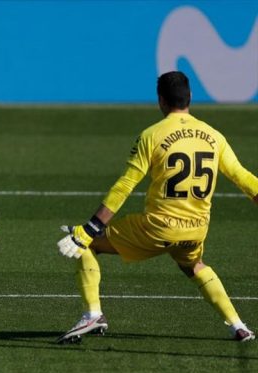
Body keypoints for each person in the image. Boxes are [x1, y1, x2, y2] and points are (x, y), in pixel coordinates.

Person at [56, 71, 257, 344]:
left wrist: (91, 227)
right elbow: (243, 178)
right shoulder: (214, 136)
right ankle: (238, 326)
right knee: (195, 266)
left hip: (157, 228)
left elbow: (126, 185)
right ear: (190, 97)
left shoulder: (152, 135)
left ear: (161, 100)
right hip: (196, 230)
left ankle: (93, 314)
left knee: (86, 243)